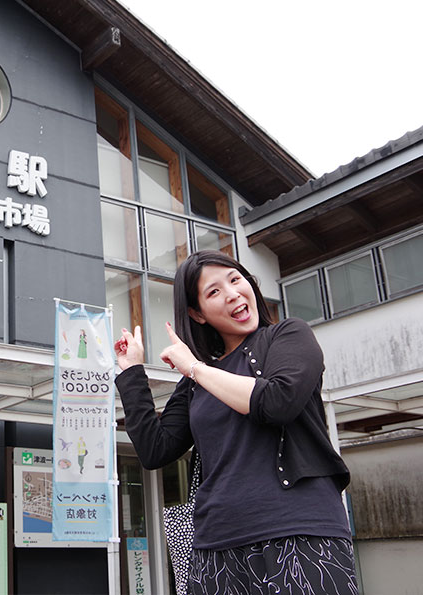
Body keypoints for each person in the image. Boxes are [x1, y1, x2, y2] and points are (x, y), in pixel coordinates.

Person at [114, 250, 359, 595]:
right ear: (197, 314)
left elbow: (277, 402)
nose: (232, 294)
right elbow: (156, 450)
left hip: (300, 530)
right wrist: (133, 372)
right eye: (213, 292)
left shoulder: (288, 336)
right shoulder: (196, 380)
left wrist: (196, 368)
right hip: (215, 545)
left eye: (235, 280)